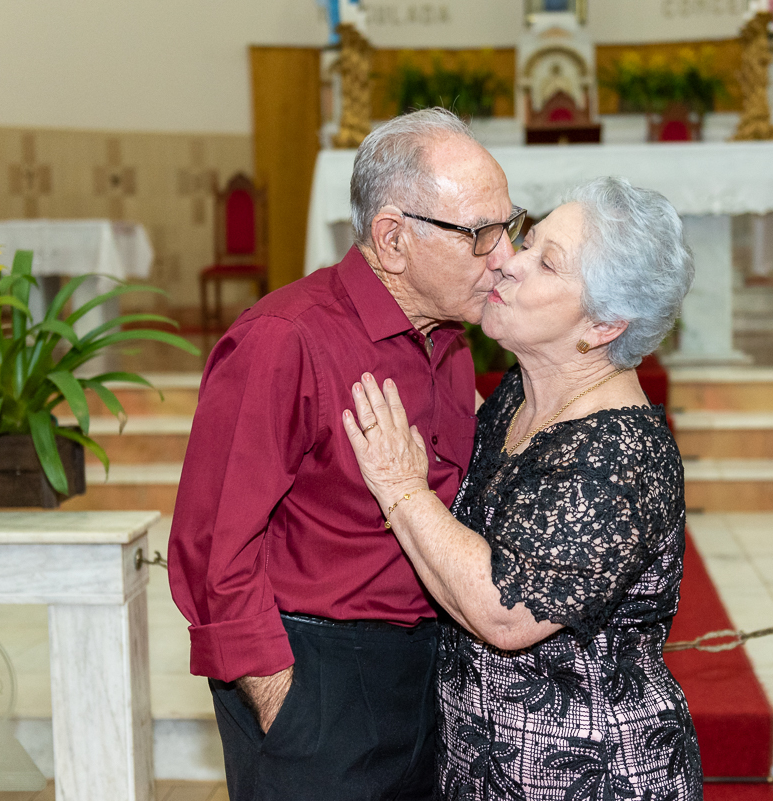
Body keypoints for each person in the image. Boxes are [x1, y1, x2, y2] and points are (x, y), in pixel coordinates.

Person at [168, 108, 526, 800]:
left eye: (508, 225)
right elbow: (212, 545)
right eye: (480, 233)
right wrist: (283, 704)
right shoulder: (285, 338)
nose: (504, 255)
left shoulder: (449, 340)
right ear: (393, 239)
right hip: (317, 675)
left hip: (429, 670)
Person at [342, 176, 702, 800]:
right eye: (528, 242)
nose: (508, 261)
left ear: (603, 325)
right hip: (485, 764)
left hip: (590, 773)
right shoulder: (521, 393)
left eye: (547, 263)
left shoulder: (619, 456)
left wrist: (401, 488)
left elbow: (504, 615)